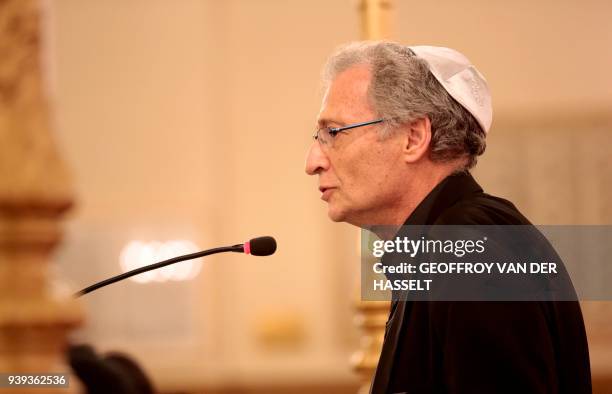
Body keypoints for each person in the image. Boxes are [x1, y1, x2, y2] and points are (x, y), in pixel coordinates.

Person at [305, 41, 591, 393]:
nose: (312, 162)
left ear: (413, 137)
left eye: (333, 133)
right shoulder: (445, 244)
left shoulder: (470, 250)